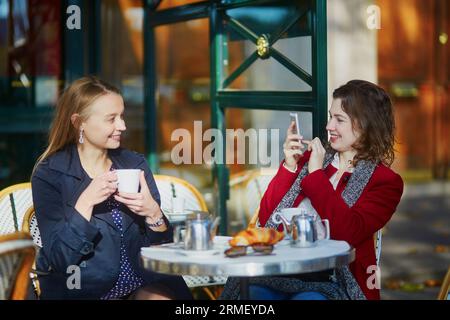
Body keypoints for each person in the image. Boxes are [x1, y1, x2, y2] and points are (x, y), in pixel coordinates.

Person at [220, 80, 404, 300]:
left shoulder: (385, 182)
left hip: (335, 280)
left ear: (364, 125)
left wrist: (316, 175)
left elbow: (347, 234)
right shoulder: (310, 159)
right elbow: (268, 218)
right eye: (330, 117)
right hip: (282, 270)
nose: (329, 126)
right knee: (253, 295)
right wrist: (289, 166)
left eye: (339, 120)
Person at [31, 76, 192, 300]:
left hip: (142, 282)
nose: (122, 126)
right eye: (111, 119)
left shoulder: (134, 164)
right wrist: (85, 203)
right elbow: (60, 260)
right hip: (82, 288)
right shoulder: (50, 174)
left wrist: (153, 214)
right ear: (79, 123)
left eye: (122, 116)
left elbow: (164, 250)